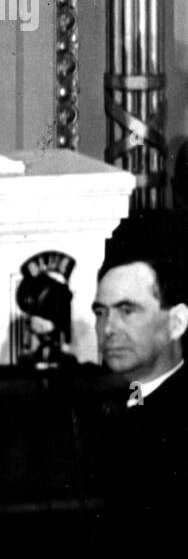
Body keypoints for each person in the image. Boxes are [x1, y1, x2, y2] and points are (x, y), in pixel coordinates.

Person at [91, 214, 188, 536]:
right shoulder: (108, 401)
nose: (108, 329)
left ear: (176, 322)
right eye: (101, 312)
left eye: (127, 311)